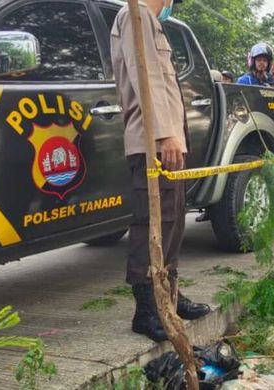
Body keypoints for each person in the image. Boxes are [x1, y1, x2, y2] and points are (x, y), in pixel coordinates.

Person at [110, 0, 209, 342]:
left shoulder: (150, 20)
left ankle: (169, 295)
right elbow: (146, 77)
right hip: (151, 138)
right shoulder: (134, 15)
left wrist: (175, 135)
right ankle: (146, 309)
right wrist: (165, 133)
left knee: (173, 219)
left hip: (168, 137)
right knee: (151, 222)